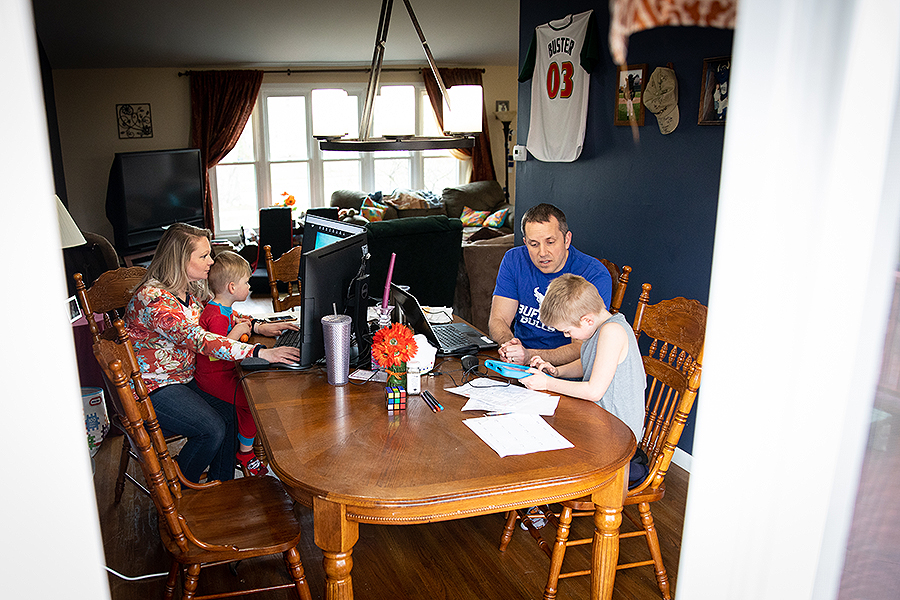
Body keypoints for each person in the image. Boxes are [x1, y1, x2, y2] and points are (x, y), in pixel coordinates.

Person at [125, 223, 300, 483]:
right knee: (212, 429)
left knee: (230, 413)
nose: (211, 262)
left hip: (185, 377)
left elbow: (221, 312)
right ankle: (180, 488)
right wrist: (260, 352)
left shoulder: (190, 289)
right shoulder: (154, 299)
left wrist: (258, 326)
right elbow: (201, 339)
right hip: (153, 387)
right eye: (204, 256)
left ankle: (222, 484)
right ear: (181, 259)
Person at [520, 274, 645, 443]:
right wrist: (556, 371)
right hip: (597, 419)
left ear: (587, 320)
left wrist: (547, 383)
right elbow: (588, 362)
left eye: (567, 331)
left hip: (616, 435)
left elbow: (593, 391)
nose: (567, 335)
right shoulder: (596, 329)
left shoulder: (612, 332)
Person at [489, 203, 612, 367]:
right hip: (518, 365)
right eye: (534, 244)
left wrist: (529, 356)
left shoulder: (593, 274)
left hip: (565, 371)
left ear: (567, 239)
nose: (542, 253)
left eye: (550, 242)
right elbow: (498, 319)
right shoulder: (514, 259)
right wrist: (510, 346)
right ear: (525, 242)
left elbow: (581, 347)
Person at [193, 251, 268, 476]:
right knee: (253, 402)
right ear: (232, 287)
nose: (250, 286)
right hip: (214, 376)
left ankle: (243, 446)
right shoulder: (216, 315)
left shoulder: (221, 309)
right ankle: (245, 452)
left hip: (223, 371)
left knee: (253, 395)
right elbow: (217, 352)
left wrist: (243, 325)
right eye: (247, 282)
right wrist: (237, 331)